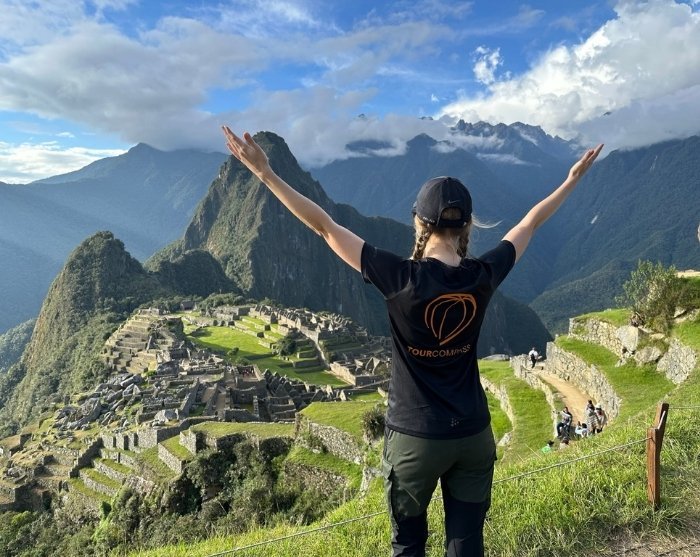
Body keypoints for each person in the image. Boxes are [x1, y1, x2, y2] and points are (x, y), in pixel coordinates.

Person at [221, 126, 602, 557]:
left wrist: (266, 174)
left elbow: (325, 227)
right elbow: (529, 224)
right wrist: (571, 181)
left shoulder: (399, 277)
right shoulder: (482, 275)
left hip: (414, 438)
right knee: (466, 543)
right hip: (473, 433)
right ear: (468, 225)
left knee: (407, 544)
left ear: (419, 223)